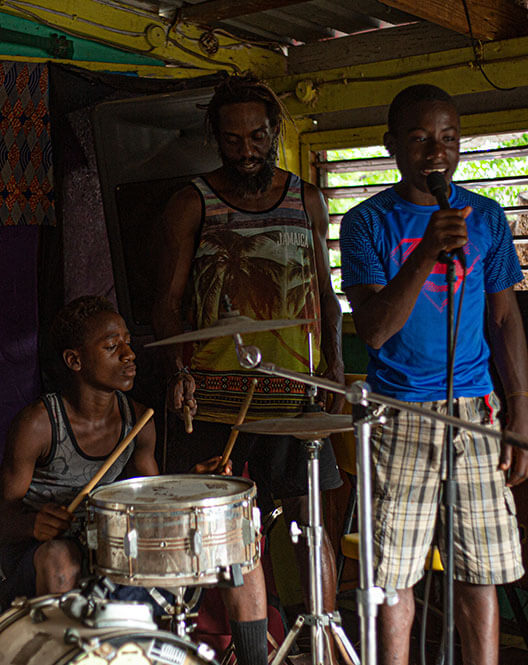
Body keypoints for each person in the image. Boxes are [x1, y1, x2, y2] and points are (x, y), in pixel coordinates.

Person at [339, 83, 528, 665]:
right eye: (421, 138)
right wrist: (425, 251)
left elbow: (505, 316)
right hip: (398, 414)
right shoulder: (365, 223)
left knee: (482, 571)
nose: (436, 151)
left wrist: (520, 409)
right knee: (393, 578)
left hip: (476, 412)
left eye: (448, 137)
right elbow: (374, 329)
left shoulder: (488, 218)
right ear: (392, 145)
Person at [152, 73, 346, 629]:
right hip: (217, 399)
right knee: (234, 533)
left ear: (274, 131)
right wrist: (178, 371)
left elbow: (323, 293)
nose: (246, 150)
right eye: (233, 139)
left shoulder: (306, 197)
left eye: (257, 137)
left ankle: (322, 646)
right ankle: (254, 648)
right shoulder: (192, 203)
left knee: (311, 527)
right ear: (215, 135)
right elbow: (166, 303)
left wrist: (331, 369)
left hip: (296, 397)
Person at [0, 296, 270, 665]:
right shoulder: (39, 425)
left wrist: (192, 484)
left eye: (127, 342)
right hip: (39, 562)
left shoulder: (138, 419)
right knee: (60, 558)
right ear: (74, 360)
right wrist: (32, 523)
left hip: (108, 554)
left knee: (239, 547)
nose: (129, 354)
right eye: (112, 346)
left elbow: (153, 504)